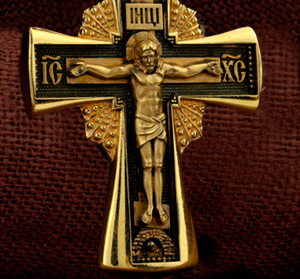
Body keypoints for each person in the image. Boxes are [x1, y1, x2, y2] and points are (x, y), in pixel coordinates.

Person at [69, 31, 223, 225]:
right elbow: (108, 73)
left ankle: (159, 206)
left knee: (158, 165)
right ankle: (149, 206)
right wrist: (87, 67)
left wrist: (206, 66)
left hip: (159, 121)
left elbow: (185, 72)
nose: (150, 60)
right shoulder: (133, 71)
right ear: (139, 58)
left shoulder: (162, 70)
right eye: (145, 57)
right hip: (142, 122)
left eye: (152, 56)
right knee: (147, 165)